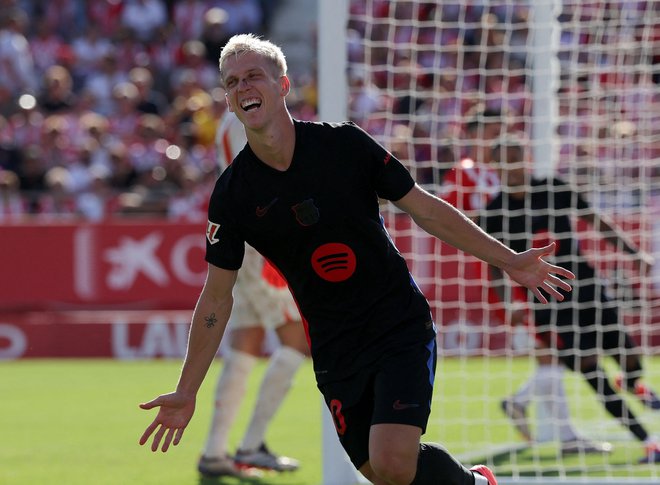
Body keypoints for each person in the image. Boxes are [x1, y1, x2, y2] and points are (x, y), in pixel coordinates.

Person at [139, 34, 575, 485]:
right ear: (228, 102)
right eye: (232, 83)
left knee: (392, 461)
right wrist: (186, 390)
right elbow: (215, 299)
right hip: (334, 346)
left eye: (254, 76)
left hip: (396, 324)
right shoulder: (232, 195)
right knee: (381, 472)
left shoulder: (344, 145)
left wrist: (509, 260)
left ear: (283, 85)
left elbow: (423, 208)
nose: (244, 87)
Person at [481, 135, 660, 464]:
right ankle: (649, 443)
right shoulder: (494, 212)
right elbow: (493, 267)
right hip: (547, 304)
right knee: (592, 373)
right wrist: (511, 303)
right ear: (495, 166)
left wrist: (634, 254)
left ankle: (633, 382)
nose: (513, 165)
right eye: (504, 158)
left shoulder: (553, 188)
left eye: (517, 155)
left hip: (587, 288)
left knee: (629, 356)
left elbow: (595, 220)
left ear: (526, 157)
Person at [440, 109, 594, 452]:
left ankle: (526, 407)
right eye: (492, 130)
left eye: (502, 130)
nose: (498, 135)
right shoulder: (465, 175)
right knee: (549, 351)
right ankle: (563, 434)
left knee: (552, 350)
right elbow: (444, 213)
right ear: (475, 135)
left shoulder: (503, 175)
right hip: (507, 275)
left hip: (530, 269)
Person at [196, 109, 309, 477]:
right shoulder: (248, 125)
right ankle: (251, 444)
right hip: (258, 245)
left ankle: (215, 452)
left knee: (246, 342)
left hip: (243, 241)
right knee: (296, 341)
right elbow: (262, 185)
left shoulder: (233, 124)